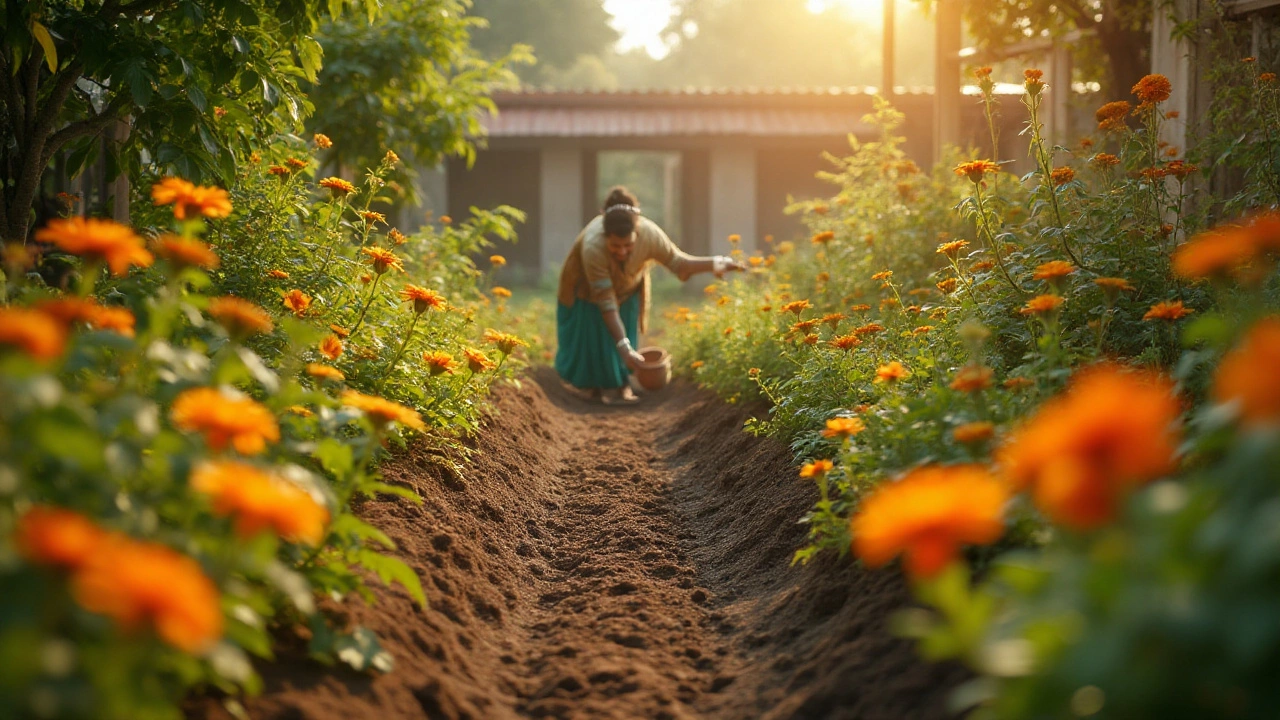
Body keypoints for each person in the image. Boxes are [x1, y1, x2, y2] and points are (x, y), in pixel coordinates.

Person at [556, 186, 744, 404]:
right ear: (605, 236)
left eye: (628, 245)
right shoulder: (593, 247)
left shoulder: (650, 234)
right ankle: (592, 389)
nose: (622, 251)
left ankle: (621, 385)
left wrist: (718, 263)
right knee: (596, 336)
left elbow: (680, 264)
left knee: (624, 331)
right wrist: (624, 348)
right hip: (587, 294)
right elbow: (606, 302)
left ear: (637, 232)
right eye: (615, 246)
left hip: (628, 290)